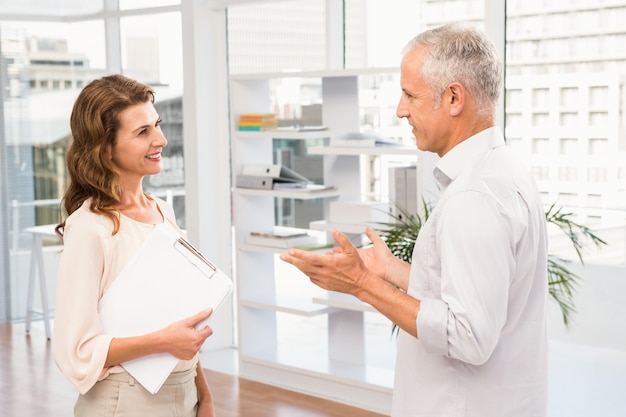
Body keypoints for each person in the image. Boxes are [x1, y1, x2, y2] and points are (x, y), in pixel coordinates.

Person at [280, 22, 548, 417]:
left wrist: (362, 284)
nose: (400, 109)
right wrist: (393, 272)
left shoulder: (474, 197)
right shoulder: (503, 172)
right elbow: (474, 297)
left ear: (454, 97)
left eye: (410, 95)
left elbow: (468, 336)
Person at [53, 74, 216, 417]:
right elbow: (78, 351)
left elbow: (177, 320)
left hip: (183, 392)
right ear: (105, 147)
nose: (161, 139)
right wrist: (163, 342)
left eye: (156, 124)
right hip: (124, 401)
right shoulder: (89, 228)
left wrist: (204, 394)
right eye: (143, 132)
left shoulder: (163, 212)